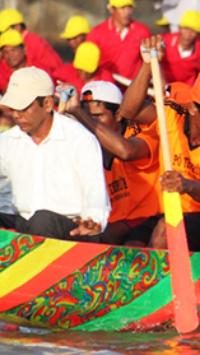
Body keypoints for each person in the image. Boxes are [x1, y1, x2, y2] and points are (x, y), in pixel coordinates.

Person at [120, 39, 200, 252]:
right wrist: (146, 65)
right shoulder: (170, 113)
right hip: (173, 211)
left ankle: (159, 284)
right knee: (132, 243)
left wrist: (186, 185)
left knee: (164, 231)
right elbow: (128, 112)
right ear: (192, 109)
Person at [0, 67, 109, 240]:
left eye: (23, 107)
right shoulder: (7, 141)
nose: (16, 115)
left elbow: (96, 195)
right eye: (13, 108)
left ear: (47, 104)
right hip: (26, 224)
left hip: (72, 230)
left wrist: (93, 222)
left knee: (42, 220)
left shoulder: (81, 139)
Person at [63, 80, 161, 245]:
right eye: (86, 117)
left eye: (97, 116)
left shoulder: (144, 134)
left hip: (149, 221)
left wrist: (79, 113)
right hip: (109, 225)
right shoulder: (84, 147)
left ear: (118, 115)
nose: (88, 123)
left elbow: (126, 151)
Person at [86, 0, 152, 79]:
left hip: (134, 88)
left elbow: (151, 63)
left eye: (130, 7)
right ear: (111, 9)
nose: (127, 11)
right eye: (122, 7)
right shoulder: (96, 34)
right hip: (107, 88)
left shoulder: (142, 32)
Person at [0, 8, 62, 76]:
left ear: (17, 27)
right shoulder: (29, 39)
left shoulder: (31, 42)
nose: (4, 34)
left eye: (6, 30)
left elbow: (55, 68)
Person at [162, 10, 200, 85]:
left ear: (198, 34)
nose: (188, 35)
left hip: (188, 93)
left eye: (193, 31)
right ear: (179, 28)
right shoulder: (164, 42)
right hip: (163, 90)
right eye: (185, 29)